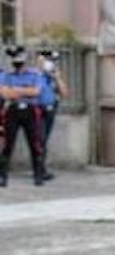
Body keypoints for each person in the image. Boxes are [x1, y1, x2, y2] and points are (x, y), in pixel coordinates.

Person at [0, 46, 49, 187]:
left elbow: (36, 92)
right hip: (12, 110)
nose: (17, 63)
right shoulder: (7, 76)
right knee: (7, 144)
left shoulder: (34, 75)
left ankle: (38, 175)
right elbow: (4, 94)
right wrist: (24, 91)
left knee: (35, 143)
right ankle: (3, 176)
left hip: (31, 111)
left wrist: (15, 90)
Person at [37, 49, 68, 180]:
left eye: (52, 61)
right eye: (48, 60)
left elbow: (65, 93)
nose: (50, 64)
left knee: (44, 140)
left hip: (50, 110)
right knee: (41, 139)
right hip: (37, 110)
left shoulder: (53, 77)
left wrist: (57, 78)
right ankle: (39, 169)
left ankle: (41, 168)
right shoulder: (36, 75)